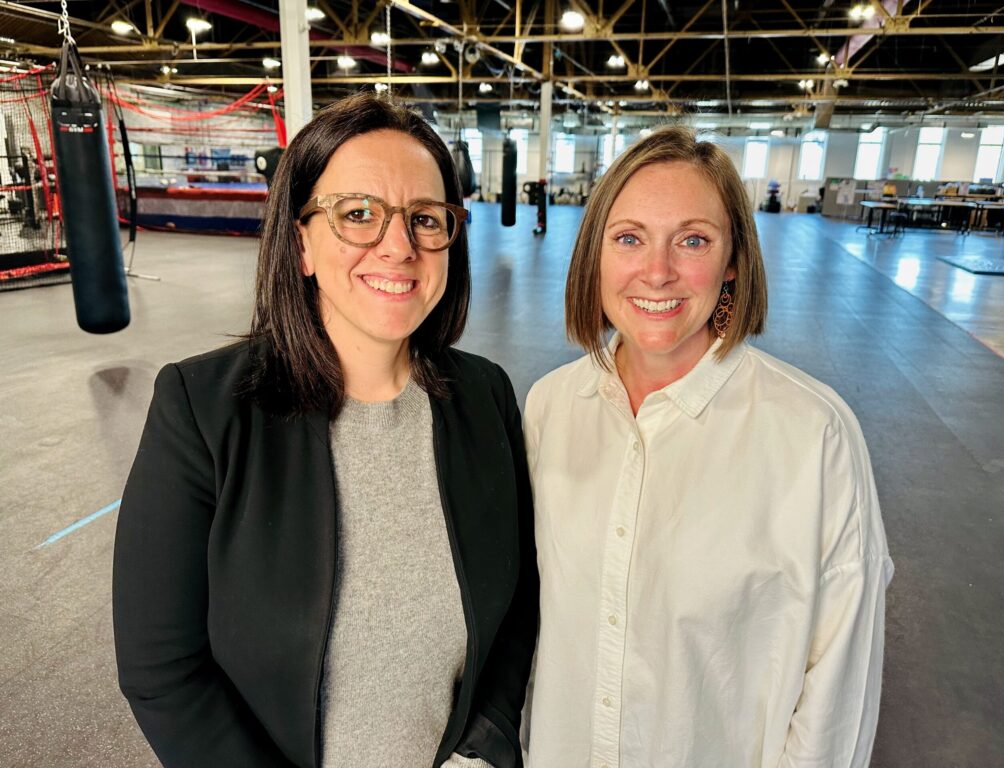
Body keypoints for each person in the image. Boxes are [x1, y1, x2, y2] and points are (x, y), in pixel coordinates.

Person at [113, 92, 537, 768]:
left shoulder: (485, 396)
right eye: (358, 214)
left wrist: (482, 749)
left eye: (425, 219)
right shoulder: (202, 408)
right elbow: (161, 669)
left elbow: (517, 607)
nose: (398, 248)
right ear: (302, 240)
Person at [523, 126, 893, 767]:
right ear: (596, 256)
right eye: (629, 237)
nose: (658, 270)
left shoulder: (812, 435)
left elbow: (839, 691)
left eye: (692, 240)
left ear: (732, 265)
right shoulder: (550, 407)